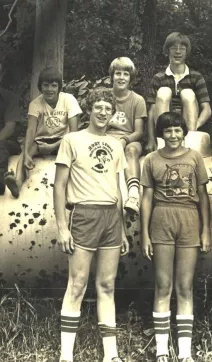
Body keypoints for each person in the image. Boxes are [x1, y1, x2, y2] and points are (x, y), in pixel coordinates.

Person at [54, 88, 129, 362]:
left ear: (113, 113)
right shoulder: (72, 140)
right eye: (98, 107)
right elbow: (59, 185)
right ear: (90, 109)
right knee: (77, 284)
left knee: (107, 285)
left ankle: (111, 355)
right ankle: (66, 355)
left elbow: (118, 189)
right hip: (84, 214)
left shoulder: (117, 144)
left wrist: (123, 227)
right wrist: (62, 227)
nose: (102, 112)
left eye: (107, 109)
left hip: (111, 217)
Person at [141, 112, 211, 362]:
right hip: (162, 218)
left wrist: (205, 230)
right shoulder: (151, 159)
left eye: (177, 130)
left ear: (184, 132)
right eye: (168, 130)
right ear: (161, 134)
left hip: (189, 218)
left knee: (184, 286)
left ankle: (185, 353)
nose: (173, 135)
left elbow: (203, 195)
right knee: (163, 285)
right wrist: (145, 234)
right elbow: (146, 199)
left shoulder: (194, 157)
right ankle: (161, 351)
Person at [5, 67, 82, 198]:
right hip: (41, 140)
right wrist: (28, 152)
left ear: (59, 87)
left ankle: (73, 190)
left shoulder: (69, 100)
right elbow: (30, 130)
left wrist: (53, 146)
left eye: (53, 85)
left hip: (64, 139)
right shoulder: (36, 104)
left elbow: (74, 133)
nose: (49, 89)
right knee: (24, 155)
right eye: (45, 85)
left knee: (75, 155)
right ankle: (17, 183)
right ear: (40, 87)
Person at [145, 32, 212, 153]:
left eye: (182, 48)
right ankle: (162, 144)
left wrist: (195, 124)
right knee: (164, 92)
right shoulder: (158, 78)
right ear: (167, 51)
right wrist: (151, 140)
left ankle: (189, 144)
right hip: (166, 122)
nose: (178, 52)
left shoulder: (196, 77)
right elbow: (152, 111)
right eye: (173, 48)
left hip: (188, 123)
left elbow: (207, 109)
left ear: (187, 52)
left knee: (188, 93)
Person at [108, 57, 147, 214]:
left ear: (131, 78)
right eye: (118, 73)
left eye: (125, 74)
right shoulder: (105, 96)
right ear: (112, 76)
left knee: (131, 150)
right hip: (107, 137)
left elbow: (138, 132)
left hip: (130, 139)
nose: (121, 77)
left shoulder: (137, 100)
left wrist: (124, 140)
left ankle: (133, 194)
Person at [0, 60, 21, 195]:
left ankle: (0, 182)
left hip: (7, 142)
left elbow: (10, 128)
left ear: (1, 76)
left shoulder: (9, 97)